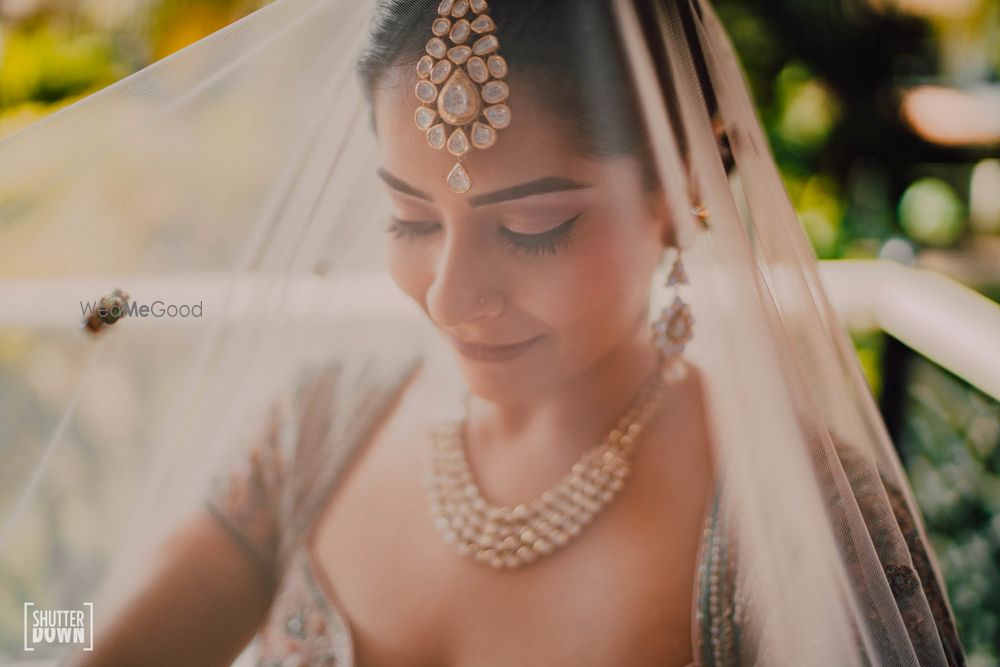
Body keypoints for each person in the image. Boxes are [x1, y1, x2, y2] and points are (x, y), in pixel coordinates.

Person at [1, 0, 965, 665]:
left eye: (532, 228)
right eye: (410, 220)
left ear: (679, 189)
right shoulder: (317, 426)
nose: (452, 296)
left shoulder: (801, 522)